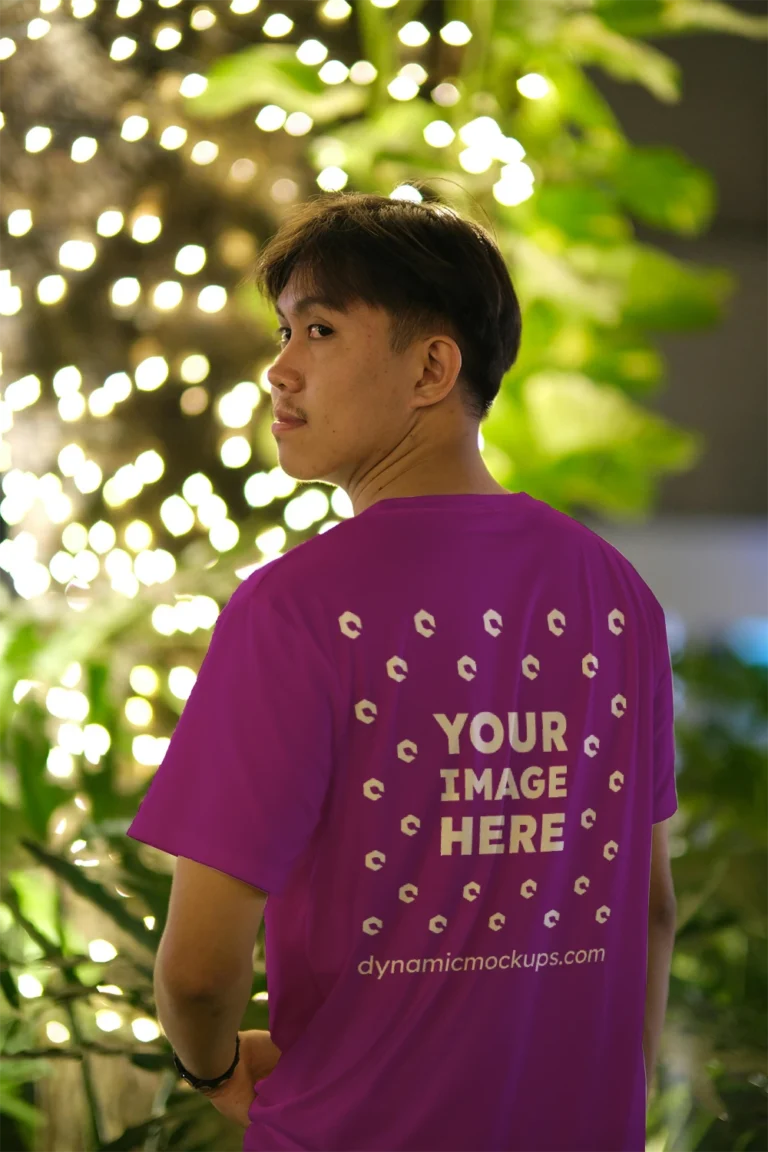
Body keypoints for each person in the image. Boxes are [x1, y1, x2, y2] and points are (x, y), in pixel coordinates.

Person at [127, 190, 678, 1151]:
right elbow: (650, 910)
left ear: (432, 366)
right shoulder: (616, 595)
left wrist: (215, 1071)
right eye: (285, 330)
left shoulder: (293, 612)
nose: (278, 369)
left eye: (321, 329)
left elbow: (202, 970)